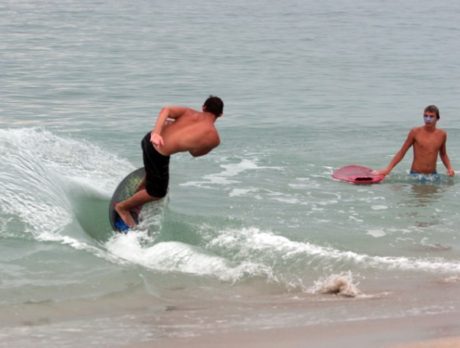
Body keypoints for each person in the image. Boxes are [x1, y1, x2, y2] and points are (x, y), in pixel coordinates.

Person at [115, 96, 224, 227]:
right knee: (157, 193)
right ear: (221, 115)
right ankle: (123, 208)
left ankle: (138, 195)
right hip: (158, 154)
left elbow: (165, 110)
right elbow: (195, 153)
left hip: (149, 139)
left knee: (154, 175)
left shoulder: (188, 112)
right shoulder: (214, 138)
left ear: (203, 107)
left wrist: (156, 133)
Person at [375, 105, 455, 178]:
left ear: (437, 118)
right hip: (416, 175)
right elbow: (402, 152)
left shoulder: (442, 134)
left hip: (433, 176)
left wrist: (449, 168)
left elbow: (443, 154)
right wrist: (388, 169)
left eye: (431, 116)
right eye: (425, 116)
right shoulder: (415, 132)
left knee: (434, 194)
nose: (428, 119)